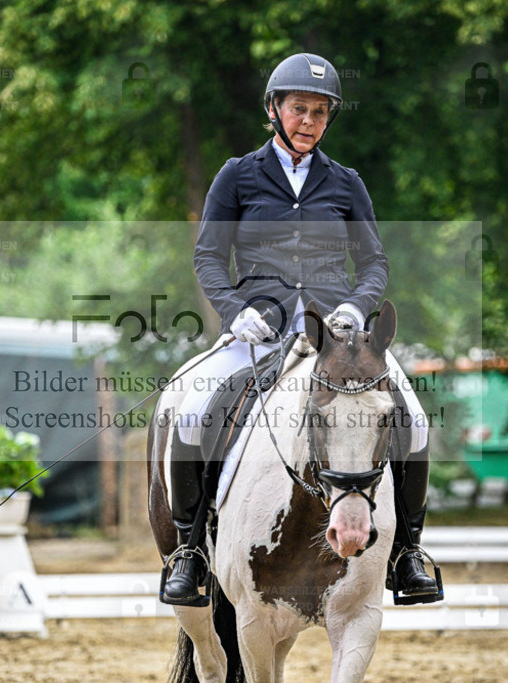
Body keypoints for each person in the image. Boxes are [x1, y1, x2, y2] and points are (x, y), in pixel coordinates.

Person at [161, 53, 439, 606]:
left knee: (415, 416)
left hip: (338, 334)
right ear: (274, 109)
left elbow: (375, 262)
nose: (308, 121)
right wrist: (233, 307)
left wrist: (357, 309)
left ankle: (407, 552)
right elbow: (209, 257)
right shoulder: (237, 175)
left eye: (319, 111)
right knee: (191, 410)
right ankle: (190, 552)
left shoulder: (346, 182)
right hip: (257, 329)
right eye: (298, 109)